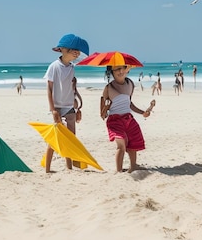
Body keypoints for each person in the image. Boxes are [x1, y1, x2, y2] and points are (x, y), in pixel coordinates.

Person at [44, 33, 89, 173]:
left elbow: (72, 89)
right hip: (57, 106)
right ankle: (48, 169)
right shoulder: (54, 66)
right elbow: (49, 89)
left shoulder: (72, 68)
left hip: (70, 107)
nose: (76, 53)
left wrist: (78, 107)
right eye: (73, 50)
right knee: (55, 139)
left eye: (78, 51)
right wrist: (53, 110)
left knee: (70, 138)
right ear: (63, 50)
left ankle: (68, 167)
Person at [100, 65, 155, 172]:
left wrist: (142, 112)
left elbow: (129, 103)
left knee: (133, 143)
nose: (120, 71)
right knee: (122, 144)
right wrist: (107, 105)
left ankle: (133, 166)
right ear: (111, 71)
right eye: (116, 69)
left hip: (128, 118)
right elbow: (102, 114)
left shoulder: (130, 84)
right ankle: (119, 170)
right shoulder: (108, 88)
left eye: (123, 68)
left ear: (127, 69)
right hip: (114, 120)